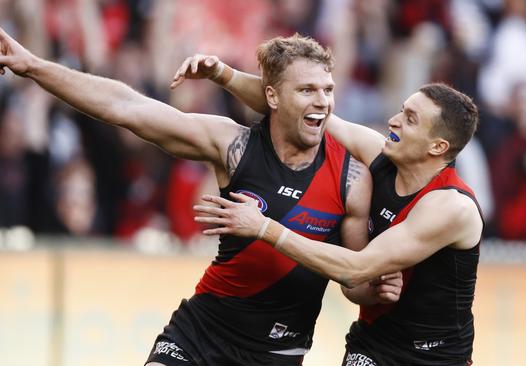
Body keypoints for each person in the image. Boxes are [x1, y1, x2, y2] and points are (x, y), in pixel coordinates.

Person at [0, 19, 402, 366]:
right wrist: (35, 67)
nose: (324, 102)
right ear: (271, 96)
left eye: (327, 90)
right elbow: (127, 108)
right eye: (307, 90)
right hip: (200, 332)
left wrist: (375, 288)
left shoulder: (352, 179)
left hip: (277, 351)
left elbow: (353, 279)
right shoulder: (232, 146)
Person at [188, 55, 483, 365]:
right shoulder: (380, 155)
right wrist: (223, 74)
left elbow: (355, 269)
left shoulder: (452, 207)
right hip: (373, 344)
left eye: (410, 119)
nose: (394, 121)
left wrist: (264, 227)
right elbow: (299, 111)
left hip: (436, 358)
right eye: (401, 111)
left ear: (437, 147)